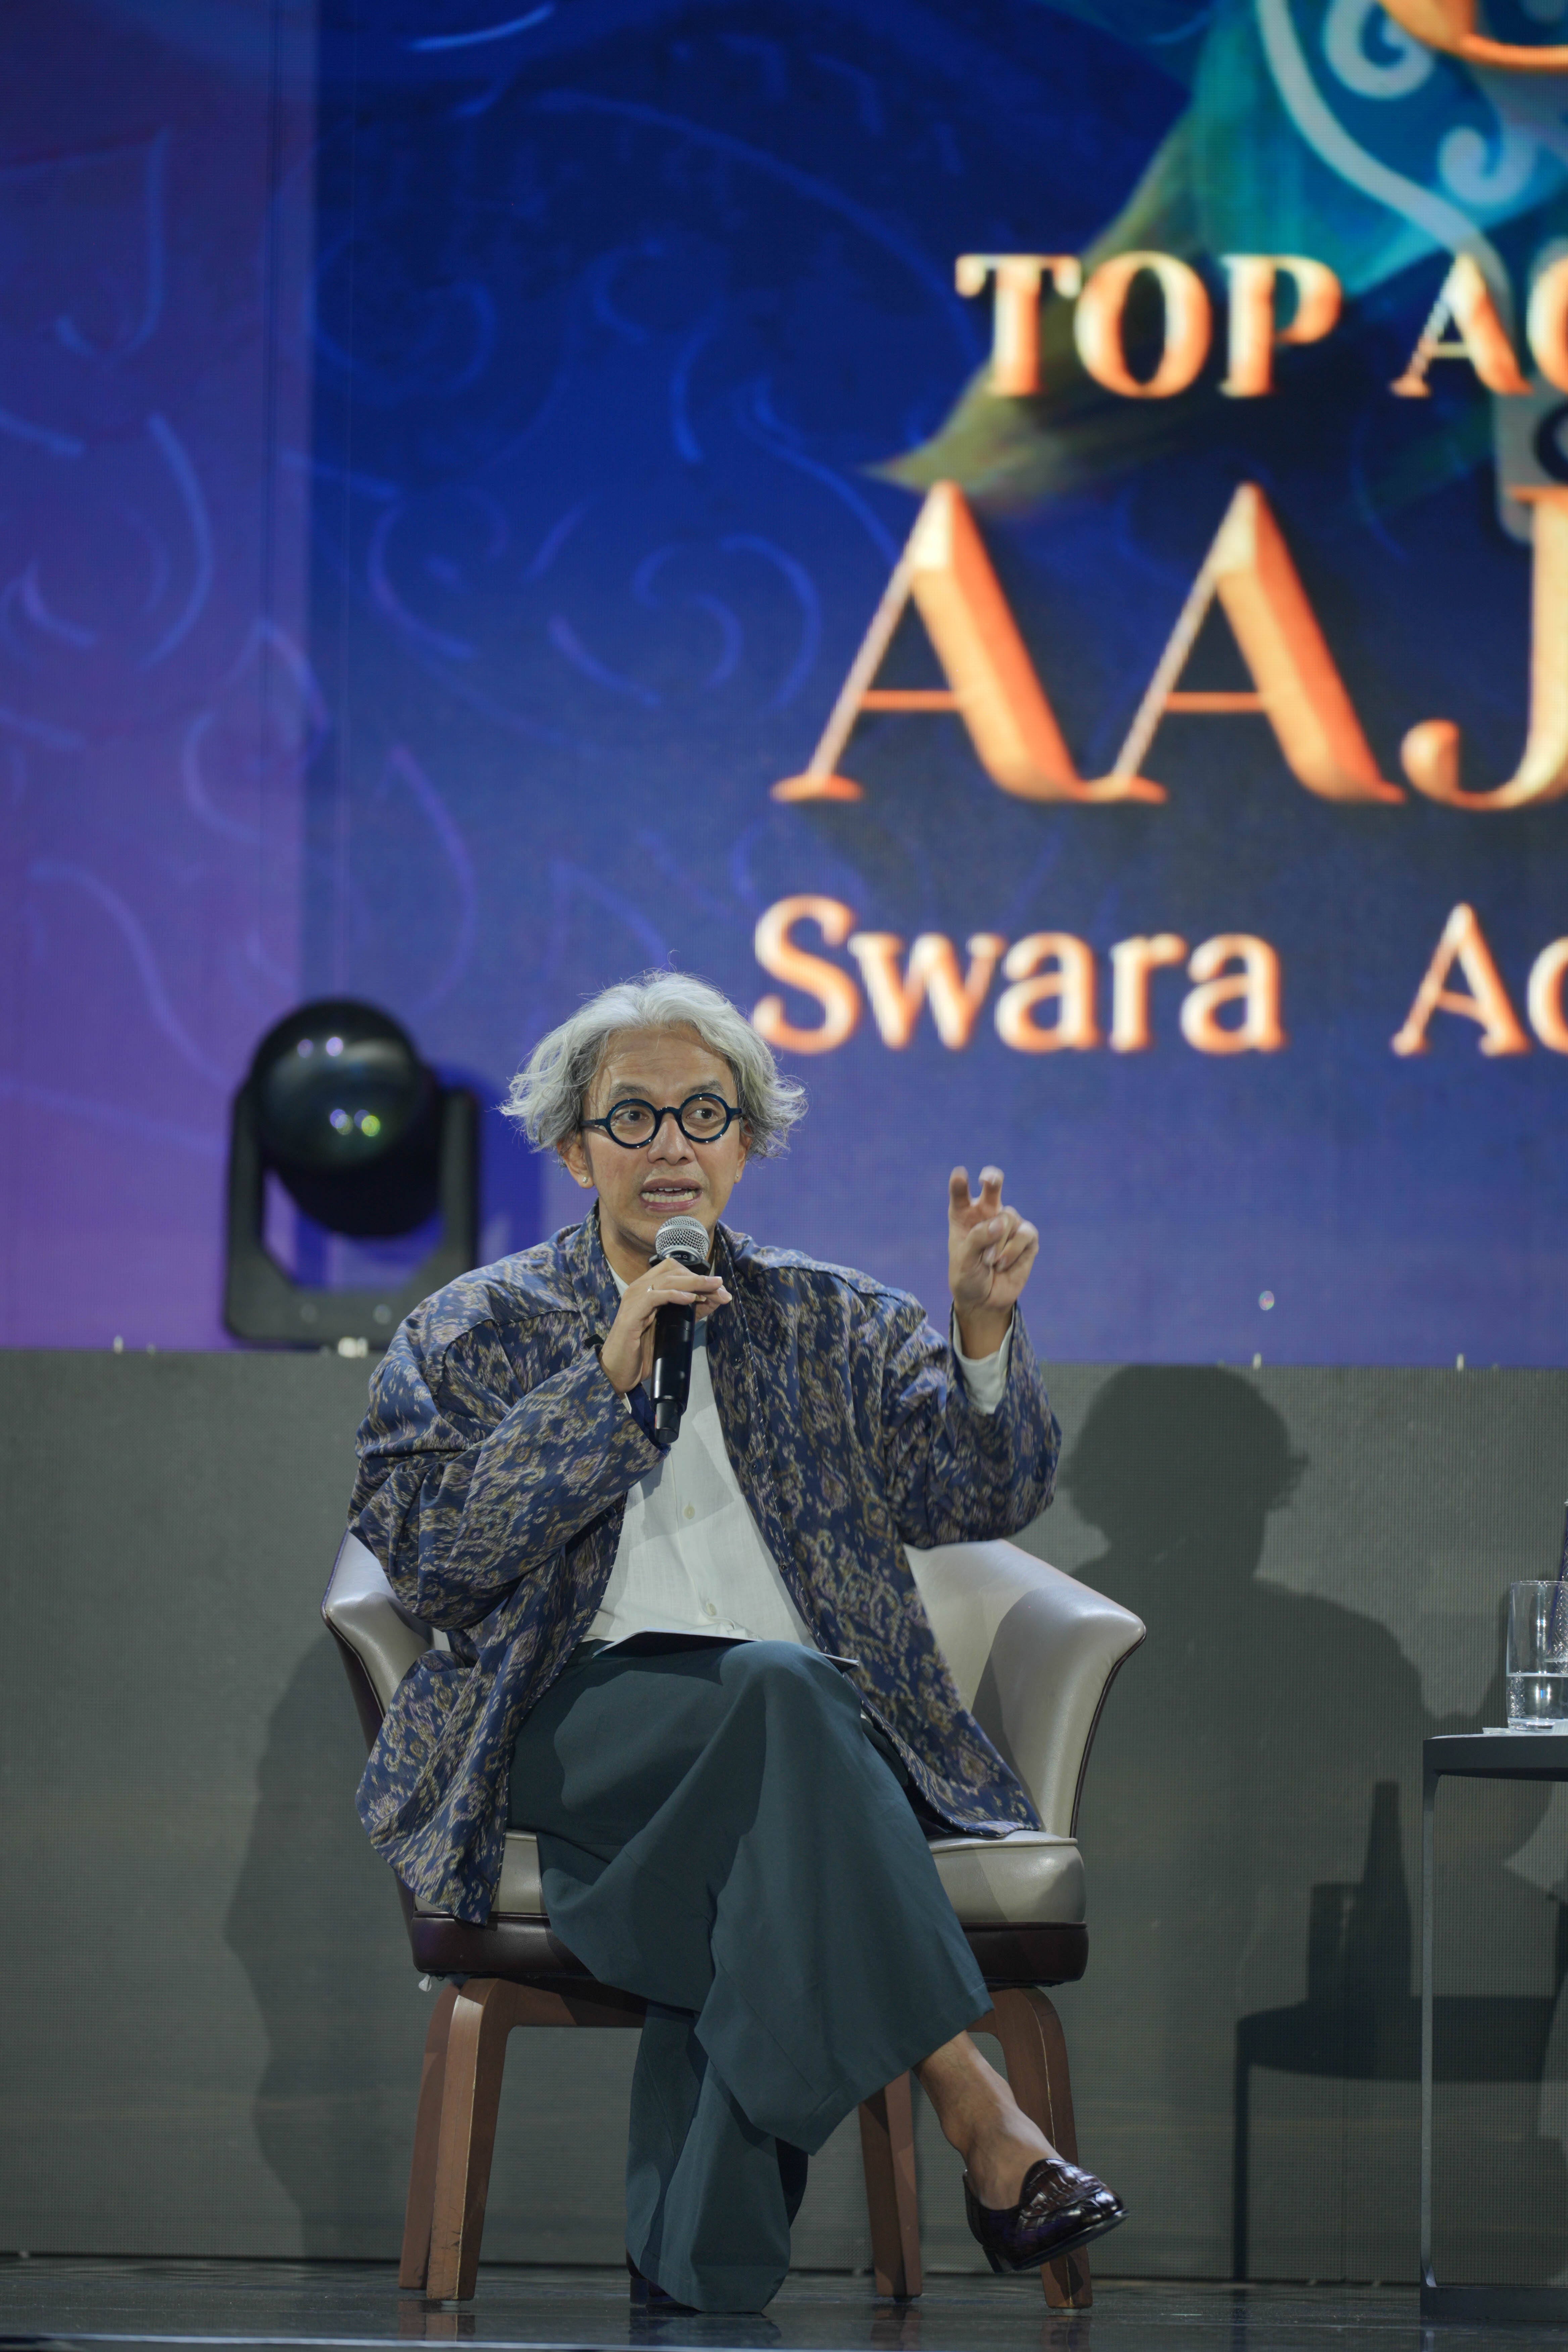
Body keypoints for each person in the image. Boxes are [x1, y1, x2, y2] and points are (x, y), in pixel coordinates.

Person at [349, 970, 1124, 2312]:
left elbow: (976, 1499)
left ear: (747, 1140)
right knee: (787, 1702)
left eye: (703, 1114)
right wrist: (599, 1389)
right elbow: (425, 1553)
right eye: (633, 1116)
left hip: (791, 1748)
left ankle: (698, 2293)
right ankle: (978, 2105)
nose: (670, 1145)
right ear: (577, 1147)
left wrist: (982, 1335)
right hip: (562, 1732)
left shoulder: (831, 1320)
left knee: (768, 1844)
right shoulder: (475, 1329)